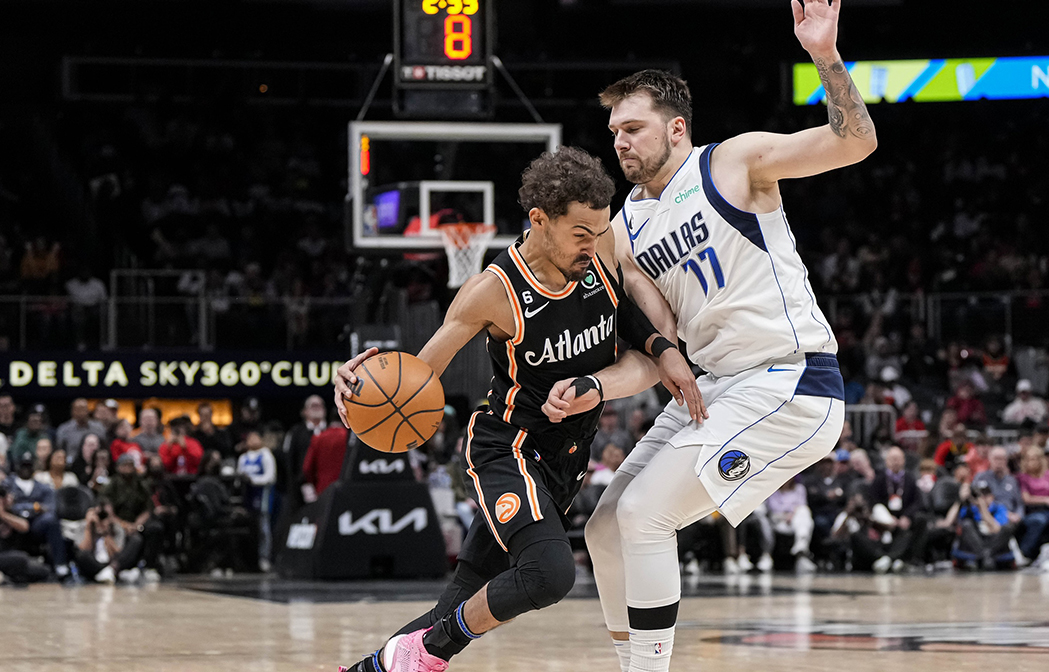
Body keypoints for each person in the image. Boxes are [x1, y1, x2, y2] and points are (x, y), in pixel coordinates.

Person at [560, 5, 877, 667]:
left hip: (790, 380)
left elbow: (855, 143)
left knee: (645, 512)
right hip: (715, 388)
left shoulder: (731, 164)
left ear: (676, 128)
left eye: (633, 127)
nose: (619, 141)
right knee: (605, 527)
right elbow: (658, 352)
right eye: (614, 130)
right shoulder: (625, 229)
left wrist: (824, 53)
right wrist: (590, 384)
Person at [336, 146, 700, 672]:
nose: (594, 245)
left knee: (457, 600)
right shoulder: (492, 291)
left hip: (564, 460)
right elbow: (416, 377)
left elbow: (623, 311)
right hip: (509, 450)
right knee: (549, 575)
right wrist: (350, 385)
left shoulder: (598, 251)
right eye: (581, 233)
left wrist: (662, 351)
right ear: (539, 221)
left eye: (600, 231)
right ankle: (438, 650)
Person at [3, 452, 70, 578]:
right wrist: (34, 507)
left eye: (28, 466)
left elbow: (51, 508)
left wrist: (22, 508)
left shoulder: (44, 487)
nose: (25, 469)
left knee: (52, 520)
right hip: (13, 523)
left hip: (36, 525)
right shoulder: (7, 484)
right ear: (17, 466)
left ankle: (60, 564)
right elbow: (7, 507)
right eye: (23, 466)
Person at [101, 454, 162, 581]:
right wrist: (124, 525)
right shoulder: (112, 484)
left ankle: (149, 567)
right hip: (118, 522)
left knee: (155, 528)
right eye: (125, 465)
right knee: (136, 539)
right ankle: (117, 568)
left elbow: (148, 509)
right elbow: (108, 511)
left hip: (137, 522)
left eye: (130, 465)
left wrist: (137, 524)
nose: (128, 468)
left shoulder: (140, 484)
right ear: (118, 467)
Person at [0, 487, 51, 585]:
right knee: (21, 558)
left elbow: (24, 526)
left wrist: (2, 514)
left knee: (44, 570)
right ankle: (3, 577)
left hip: (11, 556)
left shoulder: (11, 512)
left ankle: (3, 577)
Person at [867, 447, 925, 572]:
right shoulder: (880, 479)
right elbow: (873, 500)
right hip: (886, 519)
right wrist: (889, 518)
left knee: (921, 521)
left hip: (904, 517)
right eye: (892, 459)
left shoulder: (910, 479)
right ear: (886, 461)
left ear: (904, 461)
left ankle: (901, 559)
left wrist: (907, 516)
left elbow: (918, 501)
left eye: (898, 459)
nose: (895, 462)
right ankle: (891, 558)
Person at [943, 481, 1017, 569]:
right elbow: (948, 522)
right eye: (979, 495)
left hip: (994, 543)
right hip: (975, 545)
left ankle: (985, 556)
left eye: (986, 494)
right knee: (966, 524)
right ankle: (984, 556)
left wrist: (983, 508)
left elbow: (997, 529)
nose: (982, 498)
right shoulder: (969, 509)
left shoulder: (999, 508)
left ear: (992, 496)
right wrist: (960, 500)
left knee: (1007, 528)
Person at [74, 500, 144, 584]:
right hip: (94, 564)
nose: (102, 518)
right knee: (82, 555)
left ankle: (111, 572)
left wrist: (106, 533)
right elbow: (85, 549)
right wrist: (89, 527)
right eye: (99, 515)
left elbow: (117, 554)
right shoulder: (84, 526)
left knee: (136, 540)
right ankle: (115, 573)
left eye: (106, 515)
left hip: (112, 563)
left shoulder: (116, 528)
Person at [236, 430, 277, 572]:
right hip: (248, 496)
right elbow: (239, 475)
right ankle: (249, 560)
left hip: (262, 496)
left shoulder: (266, 455)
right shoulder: (243, 458)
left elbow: (270, 477)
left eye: (255, 437)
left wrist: (253, 480)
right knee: (249, 528)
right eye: (250, 437)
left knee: (264, 529)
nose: (253, 440)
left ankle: (264, 557)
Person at [972, 447, 1024, 523]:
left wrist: (1019, 515)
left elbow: (1019, 503)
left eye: (1002, 459)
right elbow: (976, 500)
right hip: (989, 516)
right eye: (996, 459)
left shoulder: (1012, 480)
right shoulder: (981, 478)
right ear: (989, 459)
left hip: (1011, 518)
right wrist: (1005, 514)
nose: (999, 462)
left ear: (1006, 461)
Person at [301, 422, 349, 502]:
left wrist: (313, 483)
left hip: (322, 489)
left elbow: (307, 468)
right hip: (344, 487)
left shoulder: (318, 438)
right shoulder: (348, 437)